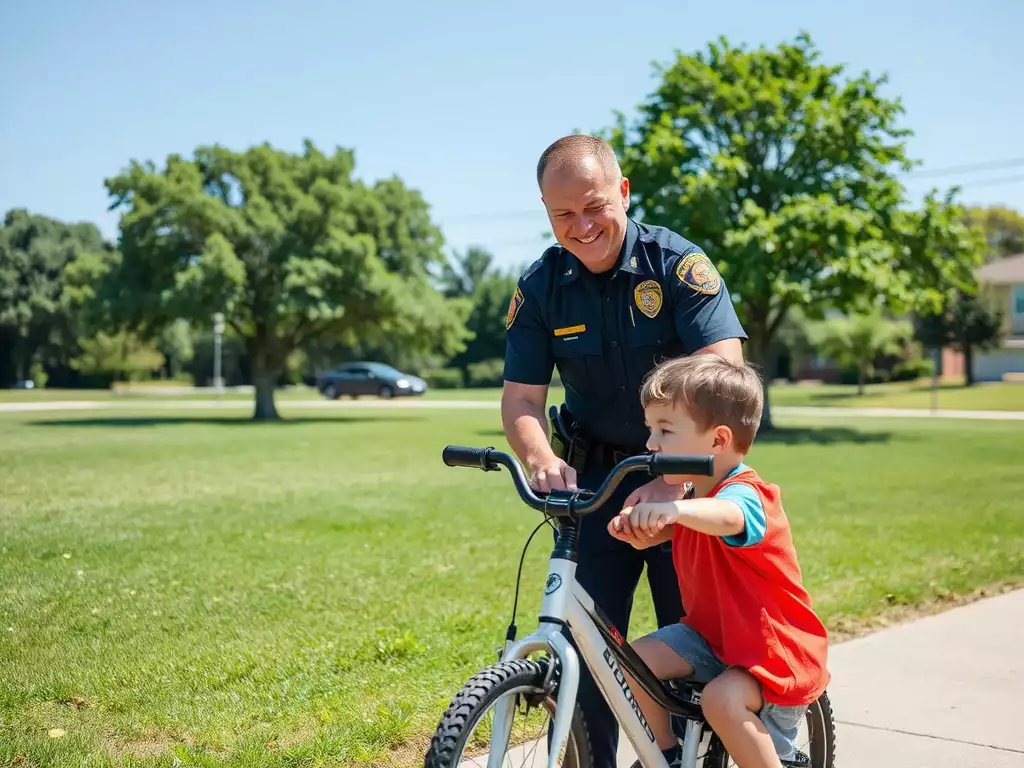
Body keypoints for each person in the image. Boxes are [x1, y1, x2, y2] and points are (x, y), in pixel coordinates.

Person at [500, 134, 748, 768]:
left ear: (624, 192)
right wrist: (539, 459)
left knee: (690, 651)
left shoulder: (677, 266)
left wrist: (674, 485)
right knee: (585, 657)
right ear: (546, 213)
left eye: (594, 206)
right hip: (595, 488)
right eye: (563, 215)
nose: (581, 227)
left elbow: (726, 376)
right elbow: (523, 401)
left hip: (684, 480)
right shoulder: (541, 287)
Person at [608, 354, 830, 768]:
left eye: (665, 430)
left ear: (717, 440)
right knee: (632, 663)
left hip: (770, 651)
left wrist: (674, 512)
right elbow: (684, 528)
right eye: (650, 430)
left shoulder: (746, 493)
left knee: (722, 699)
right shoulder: (695, 500)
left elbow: (730, 517)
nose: (651, 444)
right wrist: (641, 532)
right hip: (712, 638)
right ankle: (667, 755)